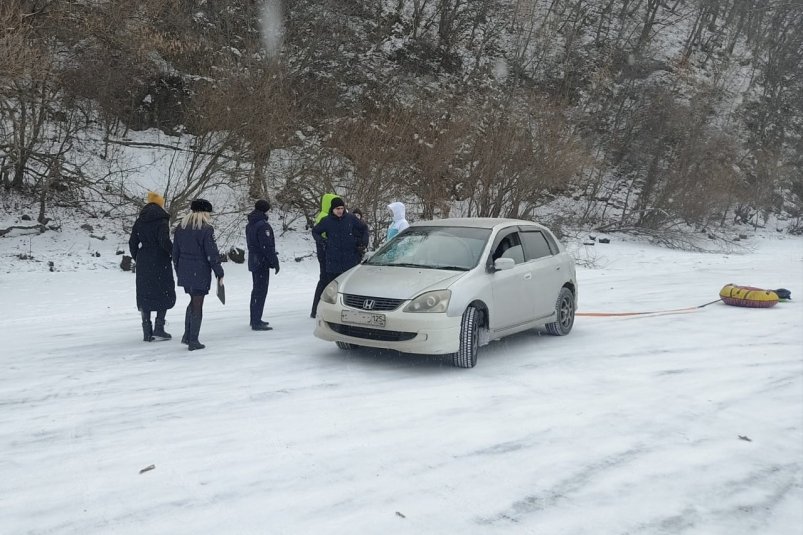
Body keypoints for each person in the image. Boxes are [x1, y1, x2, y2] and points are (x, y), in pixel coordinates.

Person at [172, 198, 224, 351]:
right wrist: (219, 272)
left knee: (193, 300)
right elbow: (212, 253)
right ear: (204, 213)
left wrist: (179, 269)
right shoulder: (206, 229)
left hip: (185, 270)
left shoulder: (181, 228)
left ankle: (187, 335)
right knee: (197, 304)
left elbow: (175, 252)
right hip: (199, 271)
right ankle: (193, 340)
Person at [128, 191, 176, 342]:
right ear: (160, 203)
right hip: (160, 259)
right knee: (163, 291)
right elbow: (164, 241)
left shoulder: (140, 220)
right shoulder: (162, 220)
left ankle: (147, 331)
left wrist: (138, 257)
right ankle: (159, 327)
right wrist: (174, 253)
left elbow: (132, 242)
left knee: (145, 293)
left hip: (144, 259)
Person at [311, 197, 364, 315]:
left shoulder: (350, 218)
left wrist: (361, 243)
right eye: (337, 209)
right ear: (332, 209)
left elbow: (363, 228)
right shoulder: (326, 220)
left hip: (349, 260)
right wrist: (322, 241)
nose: (340, 211)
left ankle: (349, 311)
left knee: (349, 288)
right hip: (333, 260)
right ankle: (329, 312)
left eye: (342, 208)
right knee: (333, 289)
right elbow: (315, 231)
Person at [245, 199, 279, 331]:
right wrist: (274, 261)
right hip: (261, 261)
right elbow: (267, 246)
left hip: (254, 259)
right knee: (260, 290)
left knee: (256, 290)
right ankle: (256, 320)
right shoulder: (263, 225)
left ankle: (254, 317)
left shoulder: (250, 223)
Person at [310, 193, 338, 318]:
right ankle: (318, 309)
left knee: (324, 281)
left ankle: (316, 308)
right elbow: (325, 235)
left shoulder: (322, 215)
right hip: (326, 253)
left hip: (323, 252)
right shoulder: (325, 217)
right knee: (325, 282)